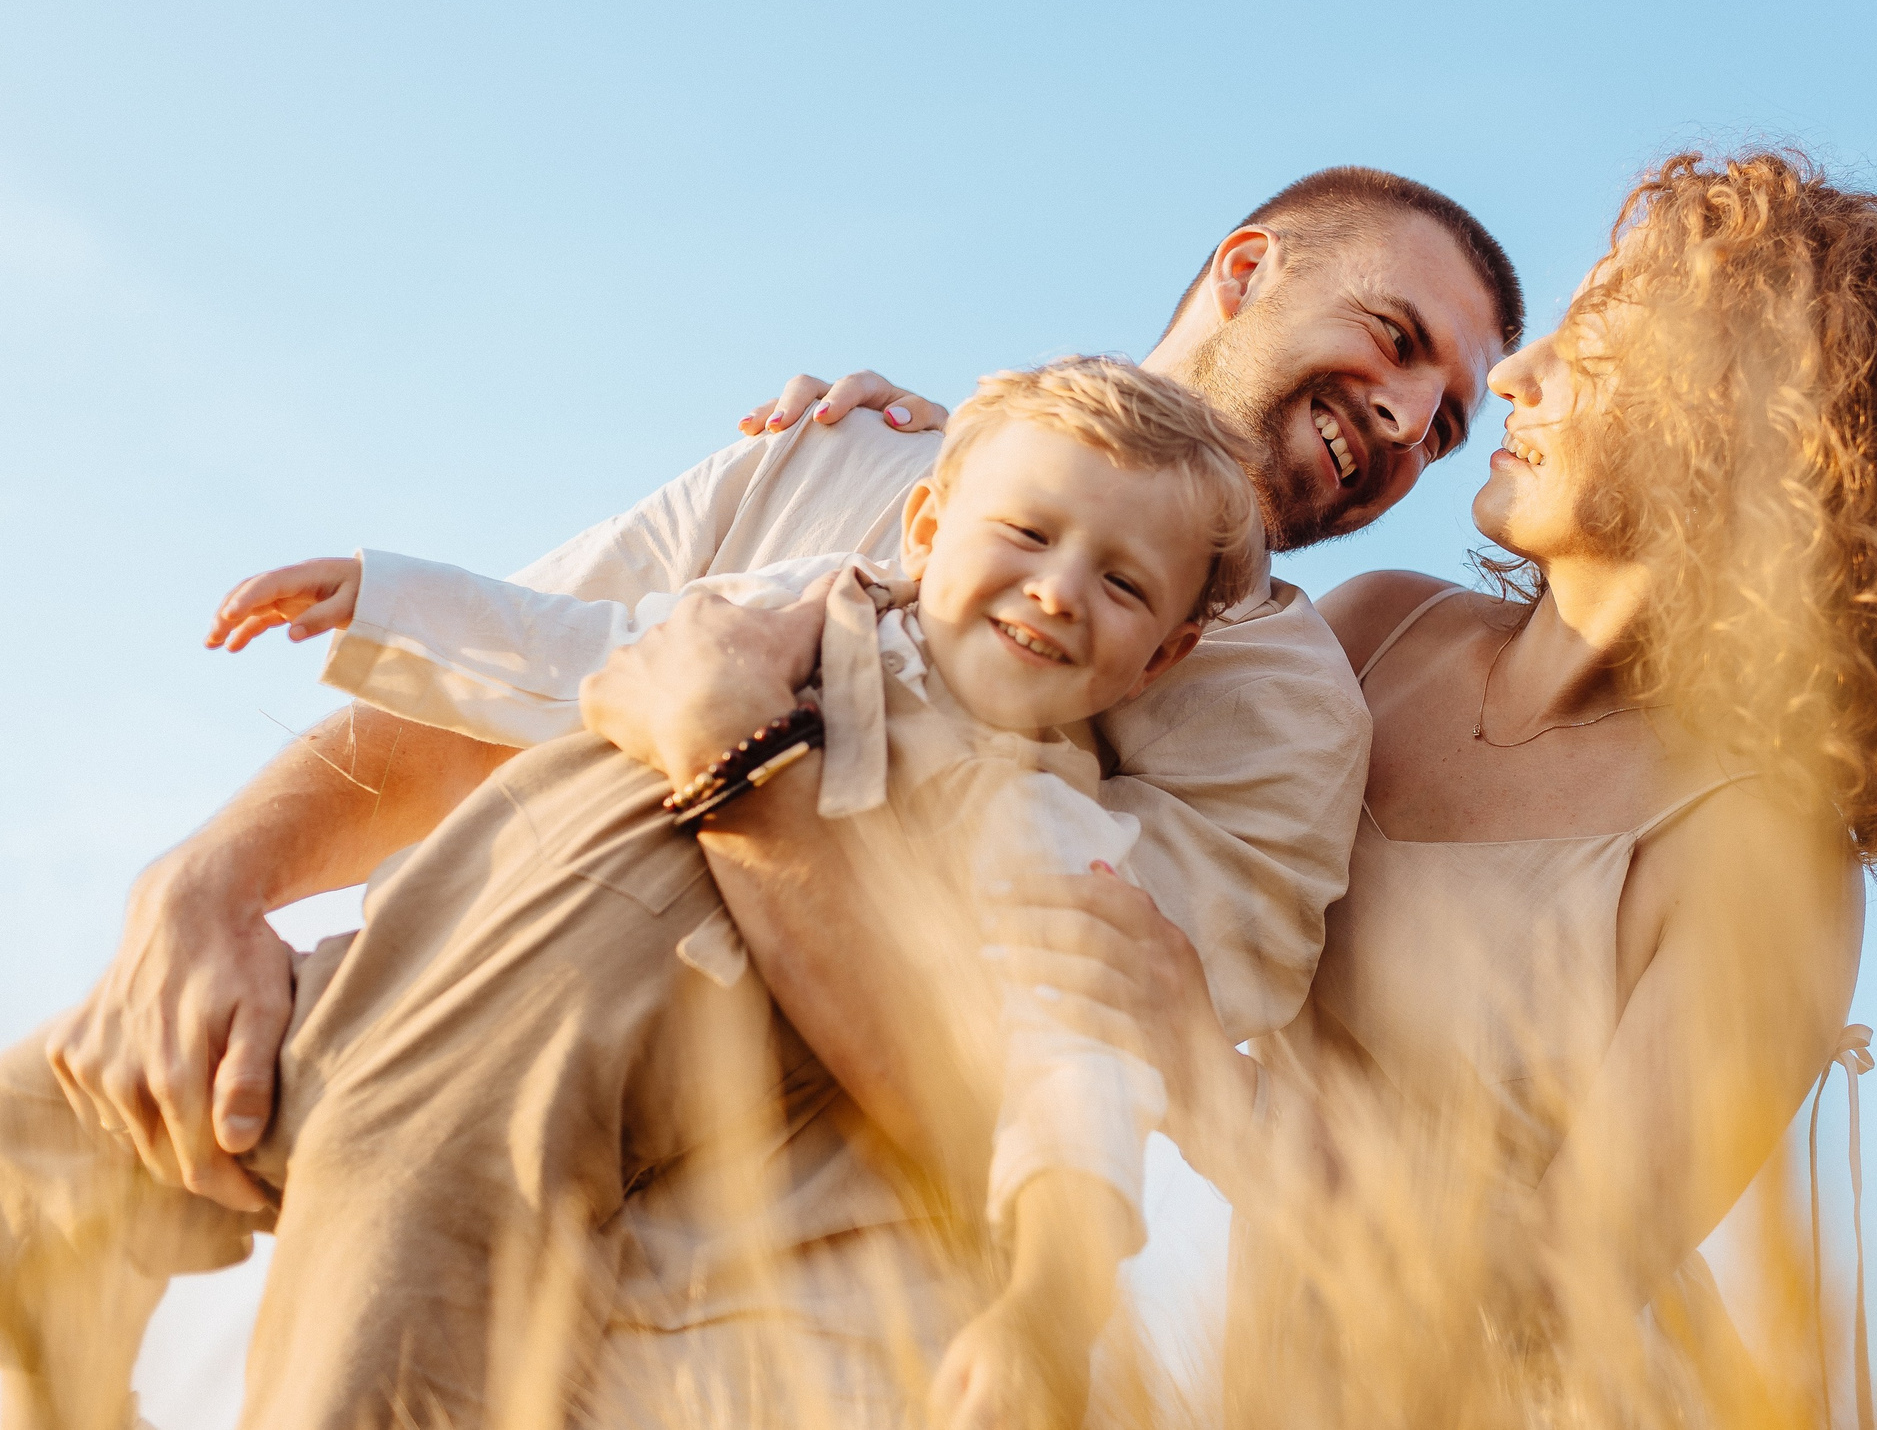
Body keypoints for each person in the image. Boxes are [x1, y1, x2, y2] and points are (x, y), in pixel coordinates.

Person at [8, 168, 1520, 1428]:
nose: (1404, 417)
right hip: (439, 961)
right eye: (1394, 341)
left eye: (1444, 420)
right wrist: (208, 881)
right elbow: (538, 661)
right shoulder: (860, 461)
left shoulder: (1280, 715)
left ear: (1168, 640)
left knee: (390, 1307)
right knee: (42, 1130)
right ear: (1246, 268)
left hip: (683, 1236)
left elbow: (1033, 1072)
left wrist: (742, 773)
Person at [973, 151, 1877, 1424]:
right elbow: (1034, 698)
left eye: (1598, 349)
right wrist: (893, 468)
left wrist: (1198, 1068)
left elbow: (1553, 1294)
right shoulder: (1368, 639)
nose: (1515, 375)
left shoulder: (1763, 854)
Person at [133, 358, 1250, 1425]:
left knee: (396, 1326)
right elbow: (598, 645)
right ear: (925, 527)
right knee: (82, 1109)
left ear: (1161, 654)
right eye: (1028, 533)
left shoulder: (1048, 828)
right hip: (464, 951)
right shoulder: (808, 602)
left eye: (1121, 583)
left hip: (635, 1069)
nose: (1058, 593)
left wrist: (1051, 1310)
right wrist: (389, 600)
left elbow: (1075, 1073)